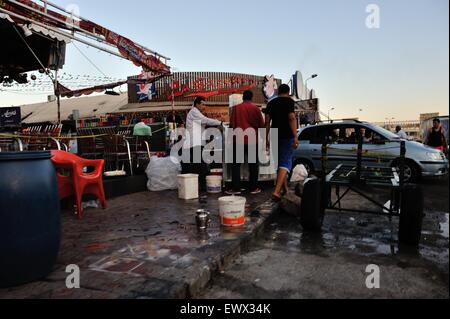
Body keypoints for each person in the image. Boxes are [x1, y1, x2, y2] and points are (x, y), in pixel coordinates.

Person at [227, 90, 265, 195]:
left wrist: (229, 139)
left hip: (238, 139)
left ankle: (236, 188)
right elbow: (261, 125)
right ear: (251, 98)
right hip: (252, 140)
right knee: (253, 164)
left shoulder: (236, 108)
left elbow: (232, 125)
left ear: (243, 97)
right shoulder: (256, 109)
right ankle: (253, 188)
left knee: (236, 165)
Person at [265, 84, 299, 202]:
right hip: (286, 134)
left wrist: (266, 138)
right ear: (288, 92)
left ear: (277, 91)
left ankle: (285, 188)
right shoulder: (289, 101)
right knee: (286, 161)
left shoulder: (271, 103)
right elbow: (292, 118)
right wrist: (295, 136)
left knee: (279, 163)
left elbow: (267, 121)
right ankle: (276, 191)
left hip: (274, 134)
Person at [182, 97, 222, 192]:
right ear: (197, 104)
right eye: (203, 104)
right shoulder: (194, 112)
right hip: (195, 144)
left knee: (199, 165)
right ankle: (202, 187)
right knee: (200, 166)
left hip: (197, 143)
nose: (204, 106)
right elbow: (205, 120)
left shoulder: (196, 113)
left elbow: (202, 125)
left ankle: (200, 187)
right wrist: (219, 122)